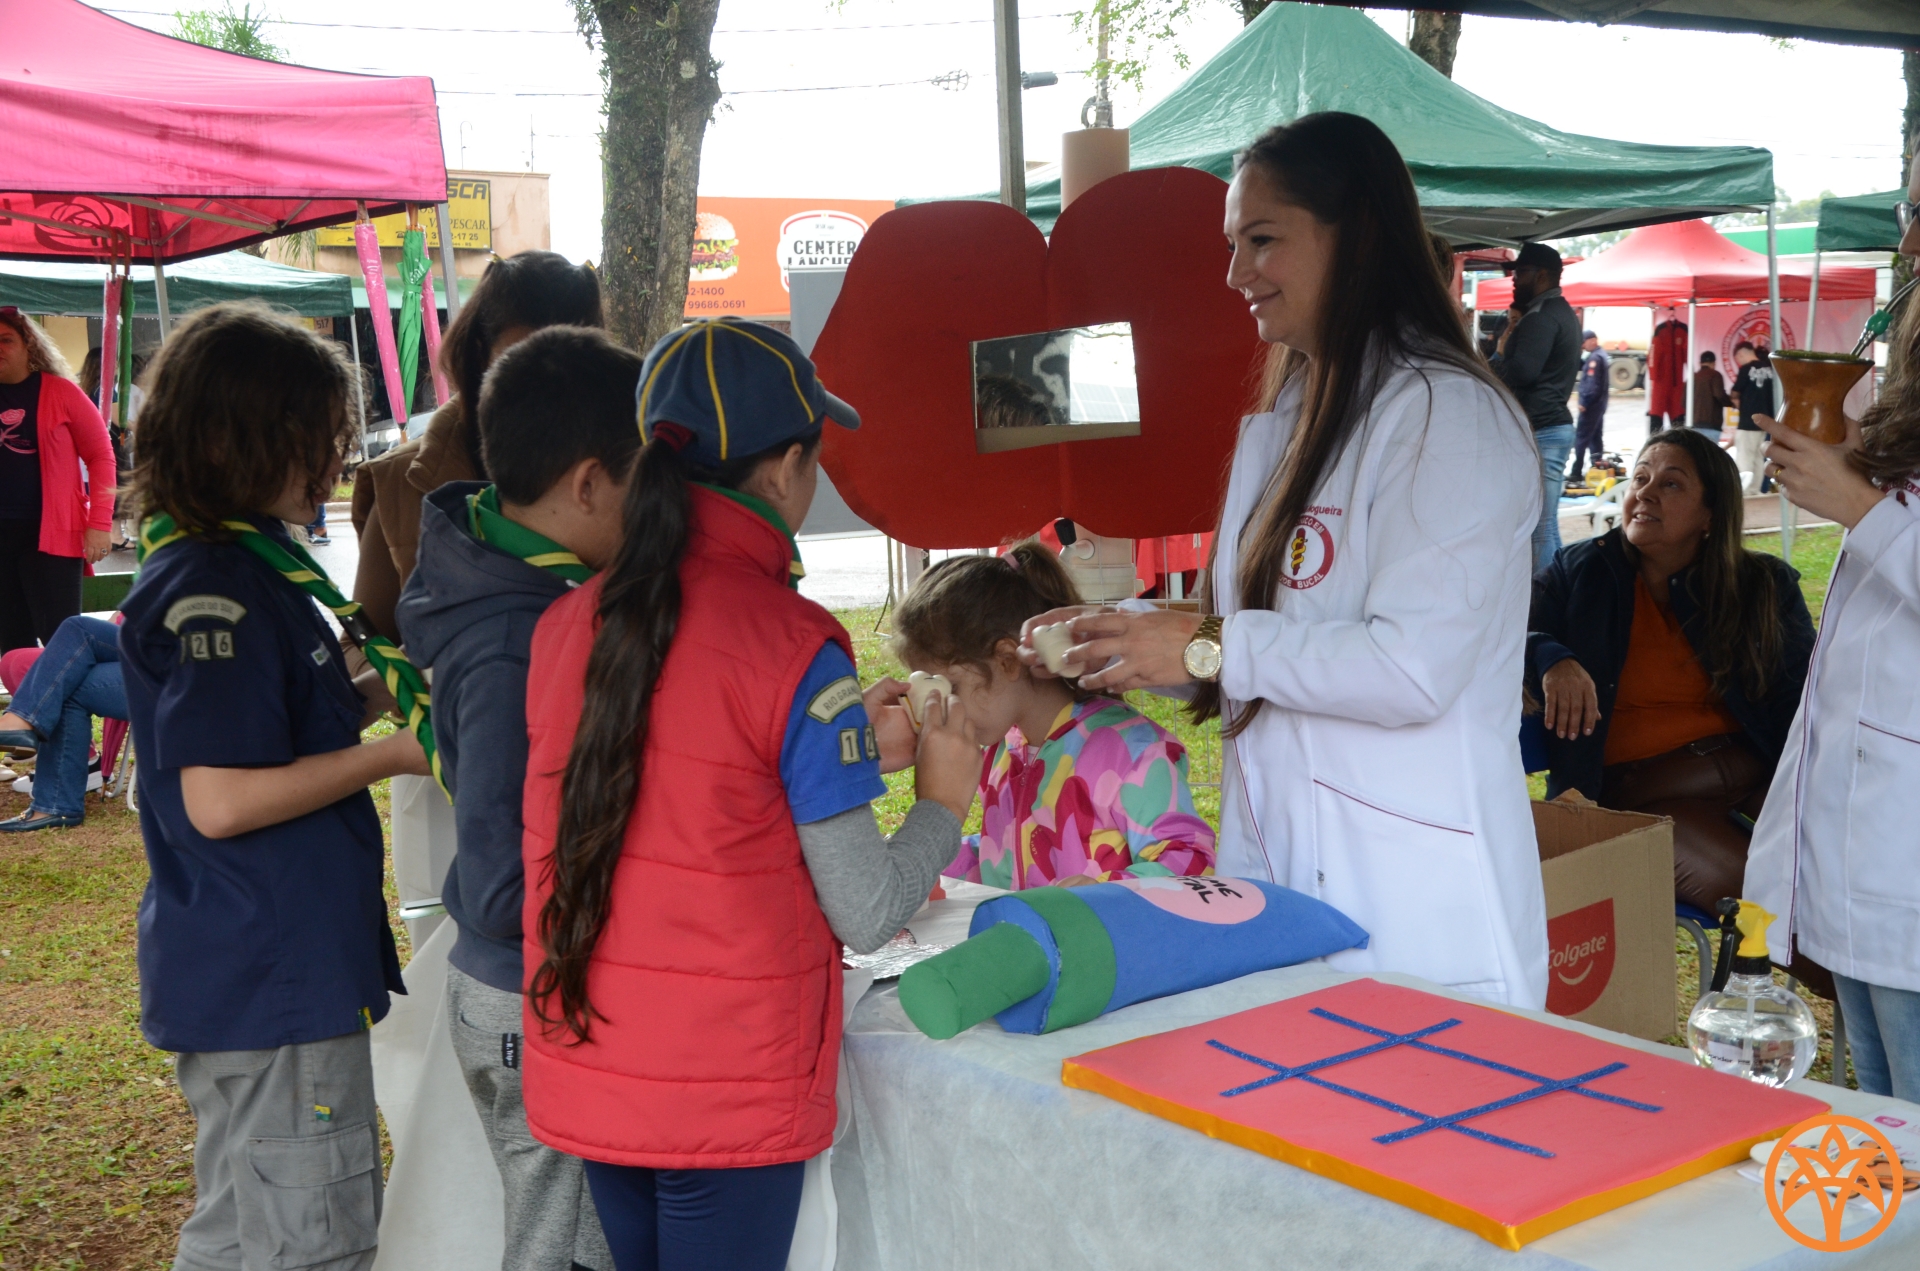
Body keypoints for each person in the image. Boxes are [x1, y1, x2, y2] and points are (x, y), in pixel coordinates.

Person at [1016, 112, 1550, 1010]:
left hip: (1420, 906)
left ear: (1360, 237)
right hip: (1285, 884)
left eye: (1262, 241)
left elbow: (1408, 668)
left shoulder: (1446, 416)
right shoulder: (1295, 416)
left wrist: (1201, 647)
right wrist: (1133, 642)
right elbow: (1259, 646)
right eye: (1232, 244)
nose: (1235, 274)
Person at [519, 318, 980, 1269]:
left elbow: (690, 796)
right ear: (783, 470)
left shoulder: (564, 624)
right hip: (725, 1089)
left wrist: (857, 760)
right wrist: (940, 802)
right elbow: (864, 910)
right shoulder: (792, 641)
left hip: (598, 1067)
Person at [118, 303, 430, 1271]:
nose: (335, 464)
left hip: (253, 968)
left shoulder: (242, 568)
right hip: (271, 975)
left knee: (242, 1225)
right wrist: (398, 754)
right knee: (312, 1239)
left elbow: (291, 721)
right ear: (249, 441)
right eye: (320, 440)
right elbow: (222, 797)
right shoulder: (222, 590)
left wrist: (394, 690)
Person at [395, 327, 639, 1271]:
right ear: (586, 485)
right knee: (560, 1239)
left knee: (577, 1229)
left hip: (525, 978)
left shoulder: (515, 578)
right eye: (641, 482)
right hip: (524, 988)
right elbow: (500, 878)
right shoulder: (514, 640)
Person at [1743, 175, 1920, 1101]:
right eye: (1910, 213)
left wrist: (1860, 506)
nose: (1914, 242)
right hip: (1866, 841)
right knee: (1887, 1129)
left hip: (1905, 849)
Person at [1527, 429, 1814, 918]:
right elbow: (1507, 629)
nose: (1644, 492)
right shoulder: (1582, 572)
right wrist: (1551, 657)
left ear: (1710, 515)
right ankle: (1853, 993)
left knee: (1844, 865)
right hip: (1642, 798)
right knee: (1767, 901)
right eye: (1640, 478)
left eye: (1671, 484)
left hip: (1752, 774)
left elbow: (1805, 697)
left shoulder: (1762, 586)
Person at [892, 542, 1216, 889]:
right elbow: (1005, 852)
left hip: (1107, 942)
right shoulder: (1005, 748)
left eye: (950, 688)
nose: (938, 711)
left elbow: (1190, 859)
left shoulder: (1131, 750)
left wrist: (1106, 893)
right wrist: (920, 862)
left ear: (1007, 660)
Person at [350, 251, 603, 643]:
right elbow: (361, 644)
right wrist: (431, 684)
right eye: (521, 360)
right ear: (479, 353)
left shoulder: (621, 479)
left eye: (570, 362)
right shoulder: (399, 481)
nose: (545, 385)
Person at [0, 306, 114, 651]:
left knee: (62, 638)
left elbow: (101, 456)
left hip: (52, 533)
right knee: (11, 640)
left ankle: (68, 705)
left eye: (6, 340)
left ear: (29, 345)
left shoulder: (62, 392)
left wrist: (100, 523)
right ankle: (28, 704)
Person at [1490, 242, 1583, 570]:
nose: (1514, 278)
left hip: (1542, 429)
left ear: (1543, 275)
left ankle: (1546, 604)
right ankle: (1559, 594)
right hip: (1552, 426)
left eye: (1522, 272)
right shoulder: (1563, 313)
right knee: (1545, 525)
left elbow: (1521, 373)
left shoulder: (1540, 317)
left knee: (1539, 528)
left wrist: (1492, 365)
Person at [0, 614, 127, 831]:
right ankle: (54, 803)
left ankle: (18, 723)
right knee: (69, 663)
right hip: (166, 648)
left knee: (77, 630)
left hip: (192, 666)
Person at [1730, 341, 1776, 494]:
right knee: (1758, 458)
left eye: (1738, 358)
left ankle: (1744, 492)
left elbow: (1735, 392)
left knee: (1744, 459)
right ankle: (1755, 491)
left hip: (1748, 421)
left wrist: (1737, 403)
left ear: (1740, 354)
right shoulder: (1770, 369)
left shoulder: (1746, 369)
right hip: (1766, 422)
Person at [1573, 330, 1609, 477]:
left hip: (1591, 406)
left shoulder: (1595, 358)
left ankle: (1576, 471)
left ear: (1592, 340)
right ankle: (1597, 467)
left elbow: (1592, 385)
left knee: (1581, 438)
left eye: (1584, 342)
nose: (1583, 345)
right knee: (1595, 437)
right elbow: (1581, 366)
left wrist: (1584, 403)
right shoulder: (1600, 355)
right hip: (1599, 405)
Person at [1693, 349, 1732, 442]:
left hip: (1695, 425)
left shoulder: (1692, 378)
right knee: (1710, 455)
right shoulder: (1715, 375)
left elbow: (1683, 402)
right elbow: (1719, 395)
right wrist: (1730, 403)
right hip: (1712, 423)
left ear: (1700, 363)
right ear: (1714, 363)